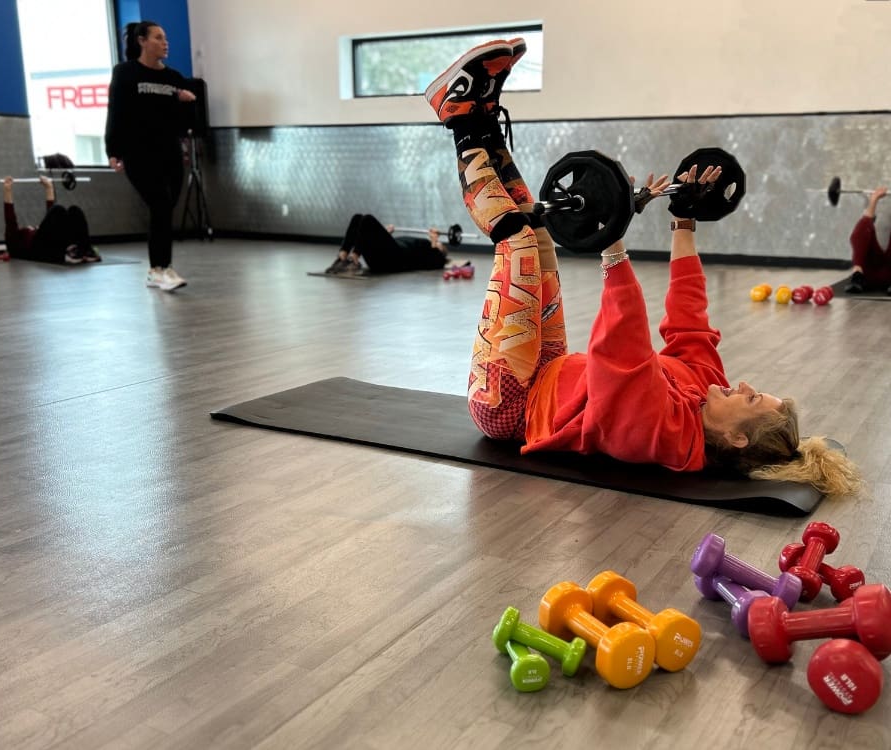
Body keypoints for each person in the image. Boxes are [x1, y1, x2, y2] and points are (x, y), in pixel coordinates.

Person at [424, 38, 861, 496]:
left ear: (737, 437)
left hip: (512, 406)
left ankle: (461, 125)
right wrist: (684, 219)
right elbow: (690, 321)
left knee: (517, 241)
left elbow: (623, 354)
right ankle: (485, 120)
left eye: (751, 398)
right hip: (550, 366)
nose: (744, 384)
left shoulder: (663, 437)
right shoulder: (708, 388)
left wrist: (611, 238)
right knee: (542, 239)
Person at [105, 20, 196, 292]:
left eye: (165, 38)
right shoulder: (125, 73)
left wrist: (188, 104)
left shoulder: (174, 79)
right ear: (142, 41)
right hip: (138, 153)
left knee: (166, 208)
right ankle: (158, 269)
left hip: (169, 152)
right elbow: (115, 113)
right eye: (158, 37)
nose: (165, 42)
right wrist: (113, 150)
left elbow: (183, 125)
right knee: (159, 203)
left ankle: (161, 269)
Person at [3, 176, 100, 265]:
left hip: (56, 243)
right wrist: (7, 190)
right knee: (58, 210)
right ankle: (67, 255)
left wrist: (49, 187)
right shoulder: (15, 241)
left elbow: (51, 222)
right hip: (39, 249)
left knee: (74, 210)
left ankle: (86, 250)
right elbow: (10, 220)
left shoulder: (36, 232)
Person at [325, 214, 453, 274]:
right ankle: (342, 257)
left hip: (394, 260)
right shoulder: (427, 246)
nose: (439, 244)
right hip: (388, 252)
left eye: (441, 246)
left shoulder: (436, 258)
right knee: (358, 218)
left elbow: (434, 260)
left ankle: (354, 259)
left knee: (368, 220)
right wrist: (386, 235)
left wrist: (434, 242)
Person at [845, 186, 890, 294]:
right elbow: (866, 222)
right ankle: (857, 277)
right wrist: (874, 199)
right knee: (864, 226)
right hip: (868, 275)